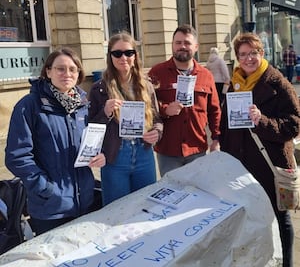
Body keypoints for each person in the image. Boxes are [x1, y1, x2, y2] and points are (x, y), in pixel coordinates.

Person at [5, 47, 106, 235]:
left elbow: (85, 145)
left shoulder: (82, 105)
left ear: (79, 74)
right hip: (50, 209)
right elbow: (17, 157)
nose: (67, 74)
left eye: (72, 69)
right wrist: (46, 188)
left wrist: (98, 156)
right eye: (60, 68)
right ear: (48, 71)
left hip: (85, 202)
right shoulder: (30, 105)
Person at [219, 33, 300, 267]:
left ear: (261, 53)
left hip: (271, 164)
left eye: (253, 53)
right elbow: (226, 126)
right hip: (241, 165)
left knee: (281, 217)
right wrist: (225, 159)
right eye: (243, 54)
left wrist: (261, 120)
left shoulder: (277, 82)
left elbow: (294, 124)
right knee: (252, 218)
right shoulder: (233, 84)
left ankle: (286, 262)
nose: (248, 59)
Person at [88, 32, 163, 206]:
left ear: (135, 56)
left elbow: (158, 119)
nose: (124, 57)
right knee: (117, 210)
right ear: (110, 56)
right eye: (117, 53)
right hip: (115, 156)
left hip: (144, 154)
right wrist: (105, 112)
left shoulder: (146, 85)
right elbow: (90, 127)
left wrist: (157, 132)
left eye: (129, 53)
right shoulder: (99, 89)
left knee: (146, 207)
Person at [148, 24, 221, 177]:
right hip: (168, 151)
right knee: (171, 195)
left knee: (198, 195)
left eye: (187, 43)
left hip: (197, 149)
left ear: (196, 47)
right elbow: (147, 106)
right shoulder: (156, 73)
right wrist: (165, 110)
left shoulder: (206, 75)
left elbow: (214, 110)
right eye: (178, 42)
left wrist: (216, 138)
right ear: (172, 45)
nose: (182, 46)